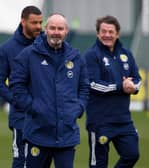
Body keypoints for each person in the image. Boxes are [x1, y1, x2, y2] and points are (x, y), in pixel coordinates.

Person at [10, 13, 89, 168]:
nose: (56, 32)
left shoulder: (76, 57)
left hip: (66, 135)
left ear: (66, 31)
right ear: (45, 29)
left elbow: (84, 87)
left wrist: (78, 108)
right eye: (52, 28)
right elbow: (16, 84)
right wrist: (32, 107)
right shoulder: (29, 54)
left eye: (60, 28)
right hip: (37, 133)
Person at [83, 15, 141, 168]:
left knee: (132, 154)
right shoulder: (91, 55)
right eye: (103, 31)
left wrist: (133, 87)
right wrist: (121, 87)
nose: (107, 35)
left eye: (111, 32)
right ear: (98, 33)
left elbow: (137, 78)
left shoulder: (126, 54)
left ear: (117, 34)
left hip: (123, 120)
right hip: (100, 121)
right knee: (98, 164)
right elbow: (93, 84)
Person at [0, 6, 43, 168]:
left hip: (46, 116)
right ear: (23, 21)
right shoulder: (7, 49)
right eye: (34, 23)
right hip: (21, 117)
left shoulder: (46, 44)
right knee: (21, 162)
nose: (39, 26)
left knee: (41, 162)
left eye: (40, 22)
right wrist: (17, 101)